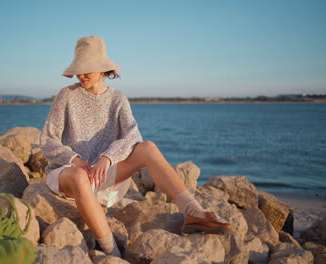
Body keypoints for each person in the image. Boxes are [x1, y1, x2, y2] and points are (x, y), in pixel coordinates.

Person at [40, 36, 231, 257]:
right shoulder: (67, 95)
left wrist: (107, 158)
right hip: (70, 177)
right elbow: (47, 140)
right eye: (79, 69)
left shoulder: (118, 100)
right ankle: (112, 251)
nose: (81, 75)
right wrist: (75, 160)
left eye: (87, 69)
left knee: (147, 147)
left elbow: (133, 136)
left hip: (104, 177)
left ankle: (193, 212)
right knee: (79, 177)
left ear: (102, 69)